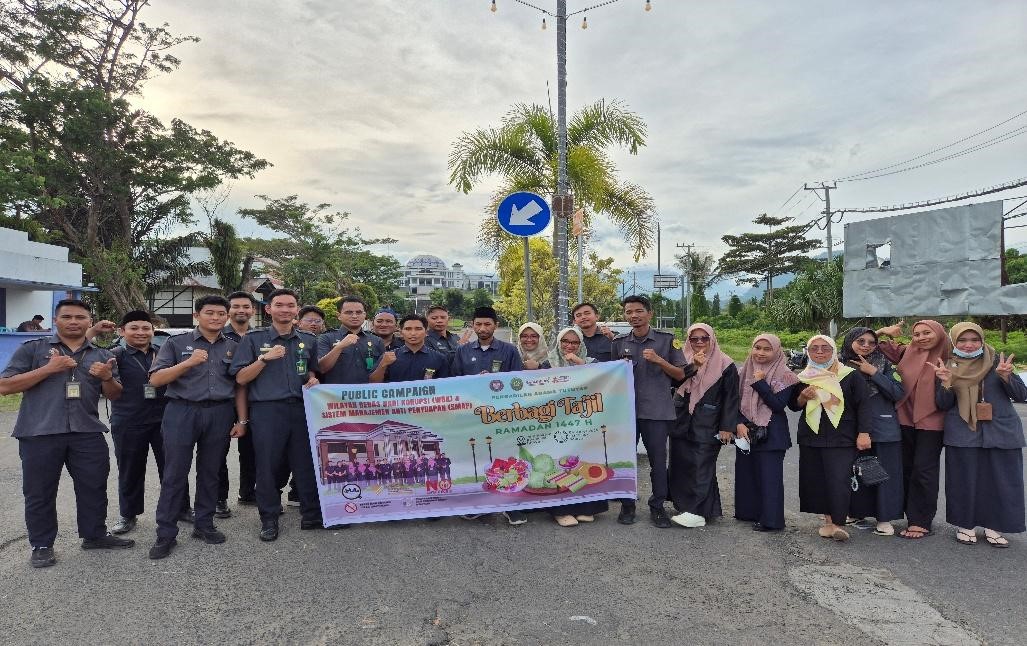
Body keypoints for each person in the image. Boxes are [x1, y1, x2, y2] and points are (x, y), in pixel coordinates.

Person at [0, 299, 133, 568]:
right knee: (39, 491)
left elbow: (116, 395)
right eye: (67, 317)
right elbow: (5, 386)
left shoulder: (100, 354)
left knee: (94, 486)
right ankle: (41, 544)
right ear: (55, 320)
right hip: (40, 432)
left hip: (87, 432)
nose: (74, 322)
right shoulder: (34, 349)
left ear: (89, 321)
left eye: (80, 317)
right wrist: (49, 369)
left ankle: (94, 534)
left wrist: (107, 377)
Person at [146, 296, 248, 560]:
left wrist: (241, 420)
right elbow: (156, 379)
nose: (215, 317)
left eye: (220, 313)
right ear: (197, 315)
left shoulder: (234, 346)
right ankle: (165, 533)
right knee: (174, 473)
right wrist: (188, 363)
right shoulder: (176, 343)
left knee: (210, 471)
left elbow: (239, 386)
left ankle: (204, 524)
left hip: (219, 412)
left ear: (226, 316)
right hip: (182, 411)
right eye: (209, 313)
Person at [231, 288, 322, 541]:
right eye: (279, 305)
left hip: (302, 408)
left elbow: (312, 371)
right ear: (268, 309)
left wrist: (313, 379)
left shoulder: (308, 339)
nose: (285, 309)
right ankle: (269, 517)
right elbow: (240, 378)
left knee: (305, 462)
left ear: (296, 309)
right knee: (268, 465)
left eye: (290, 305)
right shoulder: (252, 339)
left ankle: (312, 514)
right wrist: (264, 360)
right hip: (267, 409)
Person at [932, 322, 1026, 548]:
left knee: (1001, 481)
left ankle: (994, 526)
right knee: (963, 480)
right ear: (954, 342)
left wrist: (1006, 377)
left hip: (1001, 432)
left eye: (974, 340)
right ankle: (965, 525)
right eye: (962, 340)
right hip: (963, 432)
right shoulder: (949, 365)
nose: (968, 345)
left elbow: (1022, 395)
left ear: (982, 340)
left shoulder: (998, 362)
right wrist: (945, 383)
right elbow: (943, 404)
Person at [108, 310, 190, 535]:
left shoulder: (163, 353)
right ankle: (128, 514)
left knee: (173, 467)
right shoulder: (115, 355)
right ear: (122, 331)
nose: (141, 333)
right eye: (134, 328)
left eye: (146, 328)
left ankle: (182, 508)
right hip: (129, 420)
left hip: (165, 419)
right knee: (130, 469)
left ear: (153, 331)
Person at [610, 295, 688, 528]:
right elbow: (611, 377)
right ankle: (627, 505)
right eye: (628, 312)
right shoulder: (619, 342)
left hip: (657, 412)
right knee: (625, 461)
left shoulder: (667, 340)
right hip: (626, 414)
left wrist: (660, 361)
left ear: (650, 313)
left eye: (639, 311)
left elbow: (681, 375)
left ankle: (658, 507)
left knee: (657, 462)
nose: (633, 315)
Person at [789, 335, 872, 542]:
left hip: (842, 436)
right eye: (814, 348)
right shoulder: (804, 376)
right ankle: (828, 522)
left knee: (838, 479)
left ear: (833, 351)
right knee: (817, 480)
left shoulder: (850, 375)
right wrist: (803, 397)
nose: (819, 352)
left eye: (824, 348)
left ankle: (838, 523)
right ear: (808, 352)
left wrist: (864, 433)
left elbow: (864, 405)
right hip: (811, 435)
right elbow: (794, 405)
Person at [876, 320, 952, 540]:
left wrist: (947, 381)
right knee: (905, 467)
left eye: (927, 333)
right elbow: (869, 344)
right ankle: (908, 513)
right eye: (916, 334)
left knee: (924, 470)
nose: (921, 338)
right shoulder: (906, 352)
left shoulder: (951, 357)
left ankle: (921, 520)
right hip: (904, 417)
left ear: (939, 333)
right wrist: (883, 331)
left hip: (932, 420)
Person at [452, 306, 526, 525]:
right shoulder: (462, 351)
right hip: (472, 415)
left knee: (506, 458)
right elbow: (455, 382)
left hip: (500, 415)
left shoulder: (509, 350)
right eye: (478, 324)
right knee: (477, 458)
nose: (482, 328)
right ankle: (480, 505)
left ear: (496, 325)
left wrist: (497, 384)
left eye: (487, 324)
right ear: (472, 325)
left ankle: (511, 505)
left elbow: (517, 383)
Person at [668, 323, 738, 529]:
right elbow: (673, 382)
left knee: (701, 465)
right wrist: (693, 367)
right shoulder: (682, 360)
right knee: (681, 464)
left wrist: (727, 427)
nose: (699, 343)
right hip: (681, 420)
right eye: (694, 339)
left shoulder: (726, 364)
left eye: (704, 338)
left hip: (708, 423)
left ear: (712, 339)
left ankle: (698, 511)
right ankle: (685, 505)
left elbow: (731, 398)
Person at [540, 327, 610, 527]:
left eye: (574, 342)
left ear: (581, 345)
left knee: (583, 463)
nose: (569, 346)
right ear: (559, 342)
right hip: (555, 422)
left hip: (584, 420)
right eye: (565, 342)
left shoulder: (591, 363)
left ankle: (585, 507)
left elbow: (604, 382)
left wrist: (580, 366)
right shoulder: (548, 363)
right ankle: (561, 510)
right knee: (558, 464)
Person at [839, 327, 906, 537]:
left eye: (871, 342)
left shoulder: (884, 363)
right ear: (850, 341)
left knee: (884, 473)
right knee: (857, 470)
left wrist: (874, 373)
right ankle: (857, 511)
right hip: (850, 427)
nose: (866, 345)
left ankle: (884, 517)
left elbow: (897, 392)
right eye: (860, 341)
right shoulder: (839, 364)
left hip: (882, 427)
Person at [733, 333, 799, 532]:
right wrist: (739, 423)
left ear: (777, 351)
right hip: (746, 431)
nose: (760, 353)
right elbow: (732, 402)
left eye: (766, 349)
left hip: (772, 433)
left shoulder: (786, 376)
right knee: (747, 474)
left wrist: (760, 383)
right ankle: (749, 513)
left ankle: (772, 520)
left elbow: (778, 405)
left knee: (769, 478)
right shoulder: (743, 371)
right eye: (757, 348)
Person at [219, 290, 258, 512]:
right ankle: (219, 498)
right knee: (217, 452)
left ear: (253, 310)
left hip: (254, 402)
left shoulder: (262, 336)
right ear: (228, 311)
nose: (241, 311)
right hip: (223, 402)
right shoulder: (217, 336)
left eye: (246, 307)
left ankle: (248, 493)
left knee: (252, 451)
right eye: (235, 307)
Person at [317, 295, 384, 386]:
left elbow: (384, 373)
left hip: (369, 397)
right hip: (336, 397)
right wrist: (339, 347)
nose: (354, 316)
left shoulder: (376, 340)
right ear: (339, 315)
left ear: (365, 315)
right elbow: (321, 369)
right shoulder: (326, 338)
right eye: (349, 312)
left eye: (359, 312)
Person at [370, 314, 451, 383]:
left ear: (426, 332)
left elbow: (445, 387)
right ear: (401, 332)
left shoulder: (439, 358)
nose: (413, 333)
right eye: (408, 329)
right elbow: (373, 383)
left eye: (418, 329)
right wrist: (383, 365)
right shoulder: (388, 357)